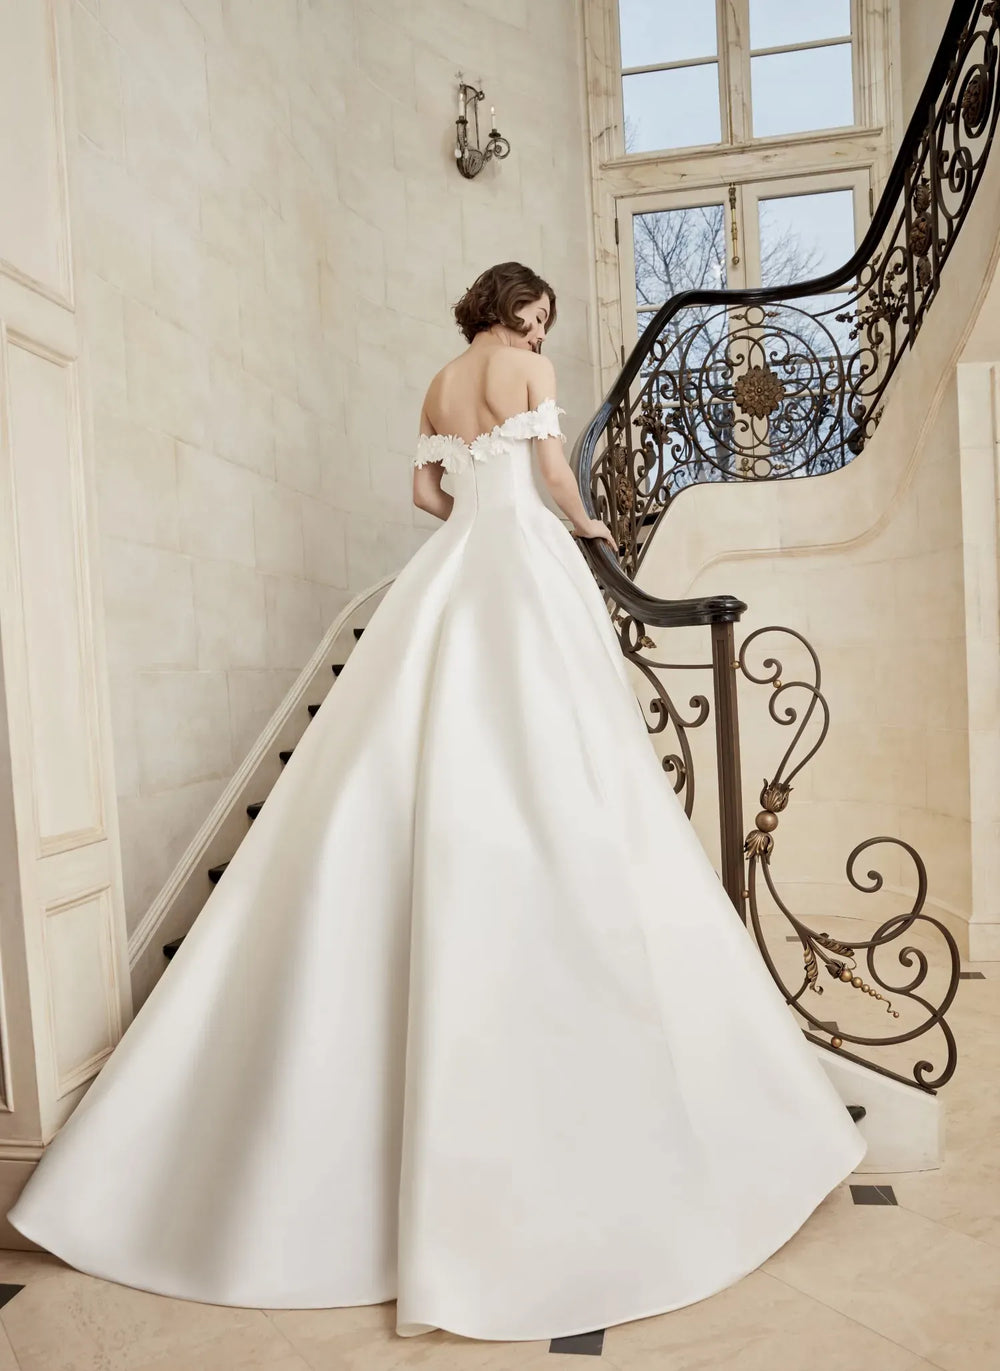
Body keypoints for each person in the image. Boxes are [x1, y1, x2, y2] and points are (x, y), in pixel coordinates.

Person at [5, 260, 867, 1342]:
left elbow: (424, 496)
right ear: (513, 307)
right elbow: (552, 473)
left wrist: (472, 507)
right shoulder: (524, 371)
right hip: (521, 561)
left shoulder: (438, 382)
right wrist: (589, 532)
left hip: (454, 567)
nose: (540, 329)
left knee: (418, 733)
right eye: (536, 313)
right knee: (553, 735)